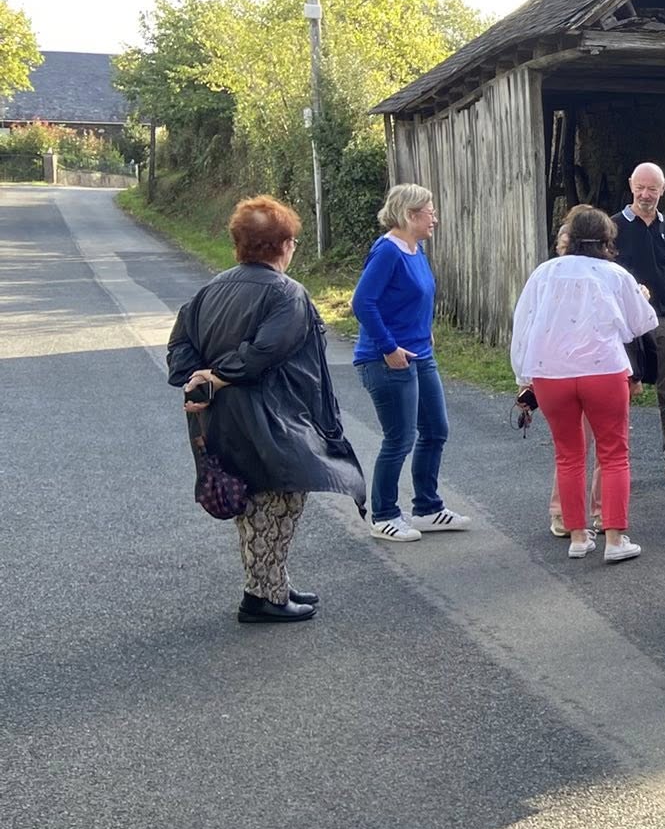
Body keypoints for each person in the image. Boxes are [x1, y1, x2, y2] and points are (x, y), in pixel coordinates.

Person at [169, 196, 366, 623]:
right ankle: (262, 597)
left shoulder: (210, 289)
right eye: (293, 241)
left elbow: (179, 345)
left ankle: (272, 582)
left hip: (221, 415)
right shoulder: (287, 293)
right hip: (273, 416)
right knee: (276, 499)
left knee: (258, 497)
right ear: (284, 244)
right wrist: (220, 374)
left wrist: (199, 377)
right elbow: (265, 350)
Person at [510, 205, 659, 564]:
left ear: (569, 237)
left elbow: (523, 324)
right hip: (602, 370)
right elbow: (641, 322)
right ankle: (615, 538)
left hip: (550, 372)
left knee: (568, 454)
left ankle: (577, 536)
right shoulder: (614, 274)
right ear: (607, 240)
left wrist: (522, 375)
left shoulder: (544, 273)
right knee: (613, 453)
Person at [352, 183, 467, 541]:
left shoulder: (415, 249)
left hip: (420, 353)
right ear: (410, 214)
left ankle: (428, 508)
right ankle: (384, 515)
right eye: (429, 211)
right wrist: (388, 346)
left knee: (435, 430)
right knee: (399, 438)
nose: (435, 218)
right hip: (386, 360)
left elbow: (413, 296)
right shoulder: (387, 251)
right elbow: (362, 302)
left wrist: (425, 328)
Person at [613, 162, 665, 485]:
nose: (645, 195)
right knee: (619, 393)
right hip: (623, 325)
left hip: (663, 321)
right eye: (640, 188)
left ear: (663, 189)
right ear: (631, 185)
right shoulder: (613, 226)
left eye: (652, 189)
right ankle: (616, 464)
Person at [542, 220, 601, 542]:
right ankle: (564, 513)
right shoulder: (547, 277)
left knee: (609, 447)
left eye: (571, 239)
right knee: (573, 448)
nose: (566, 244)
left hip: (600, 370)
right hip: (562, 370)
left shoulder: (603, 275)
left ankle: (604, 512)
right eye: (563, 238)